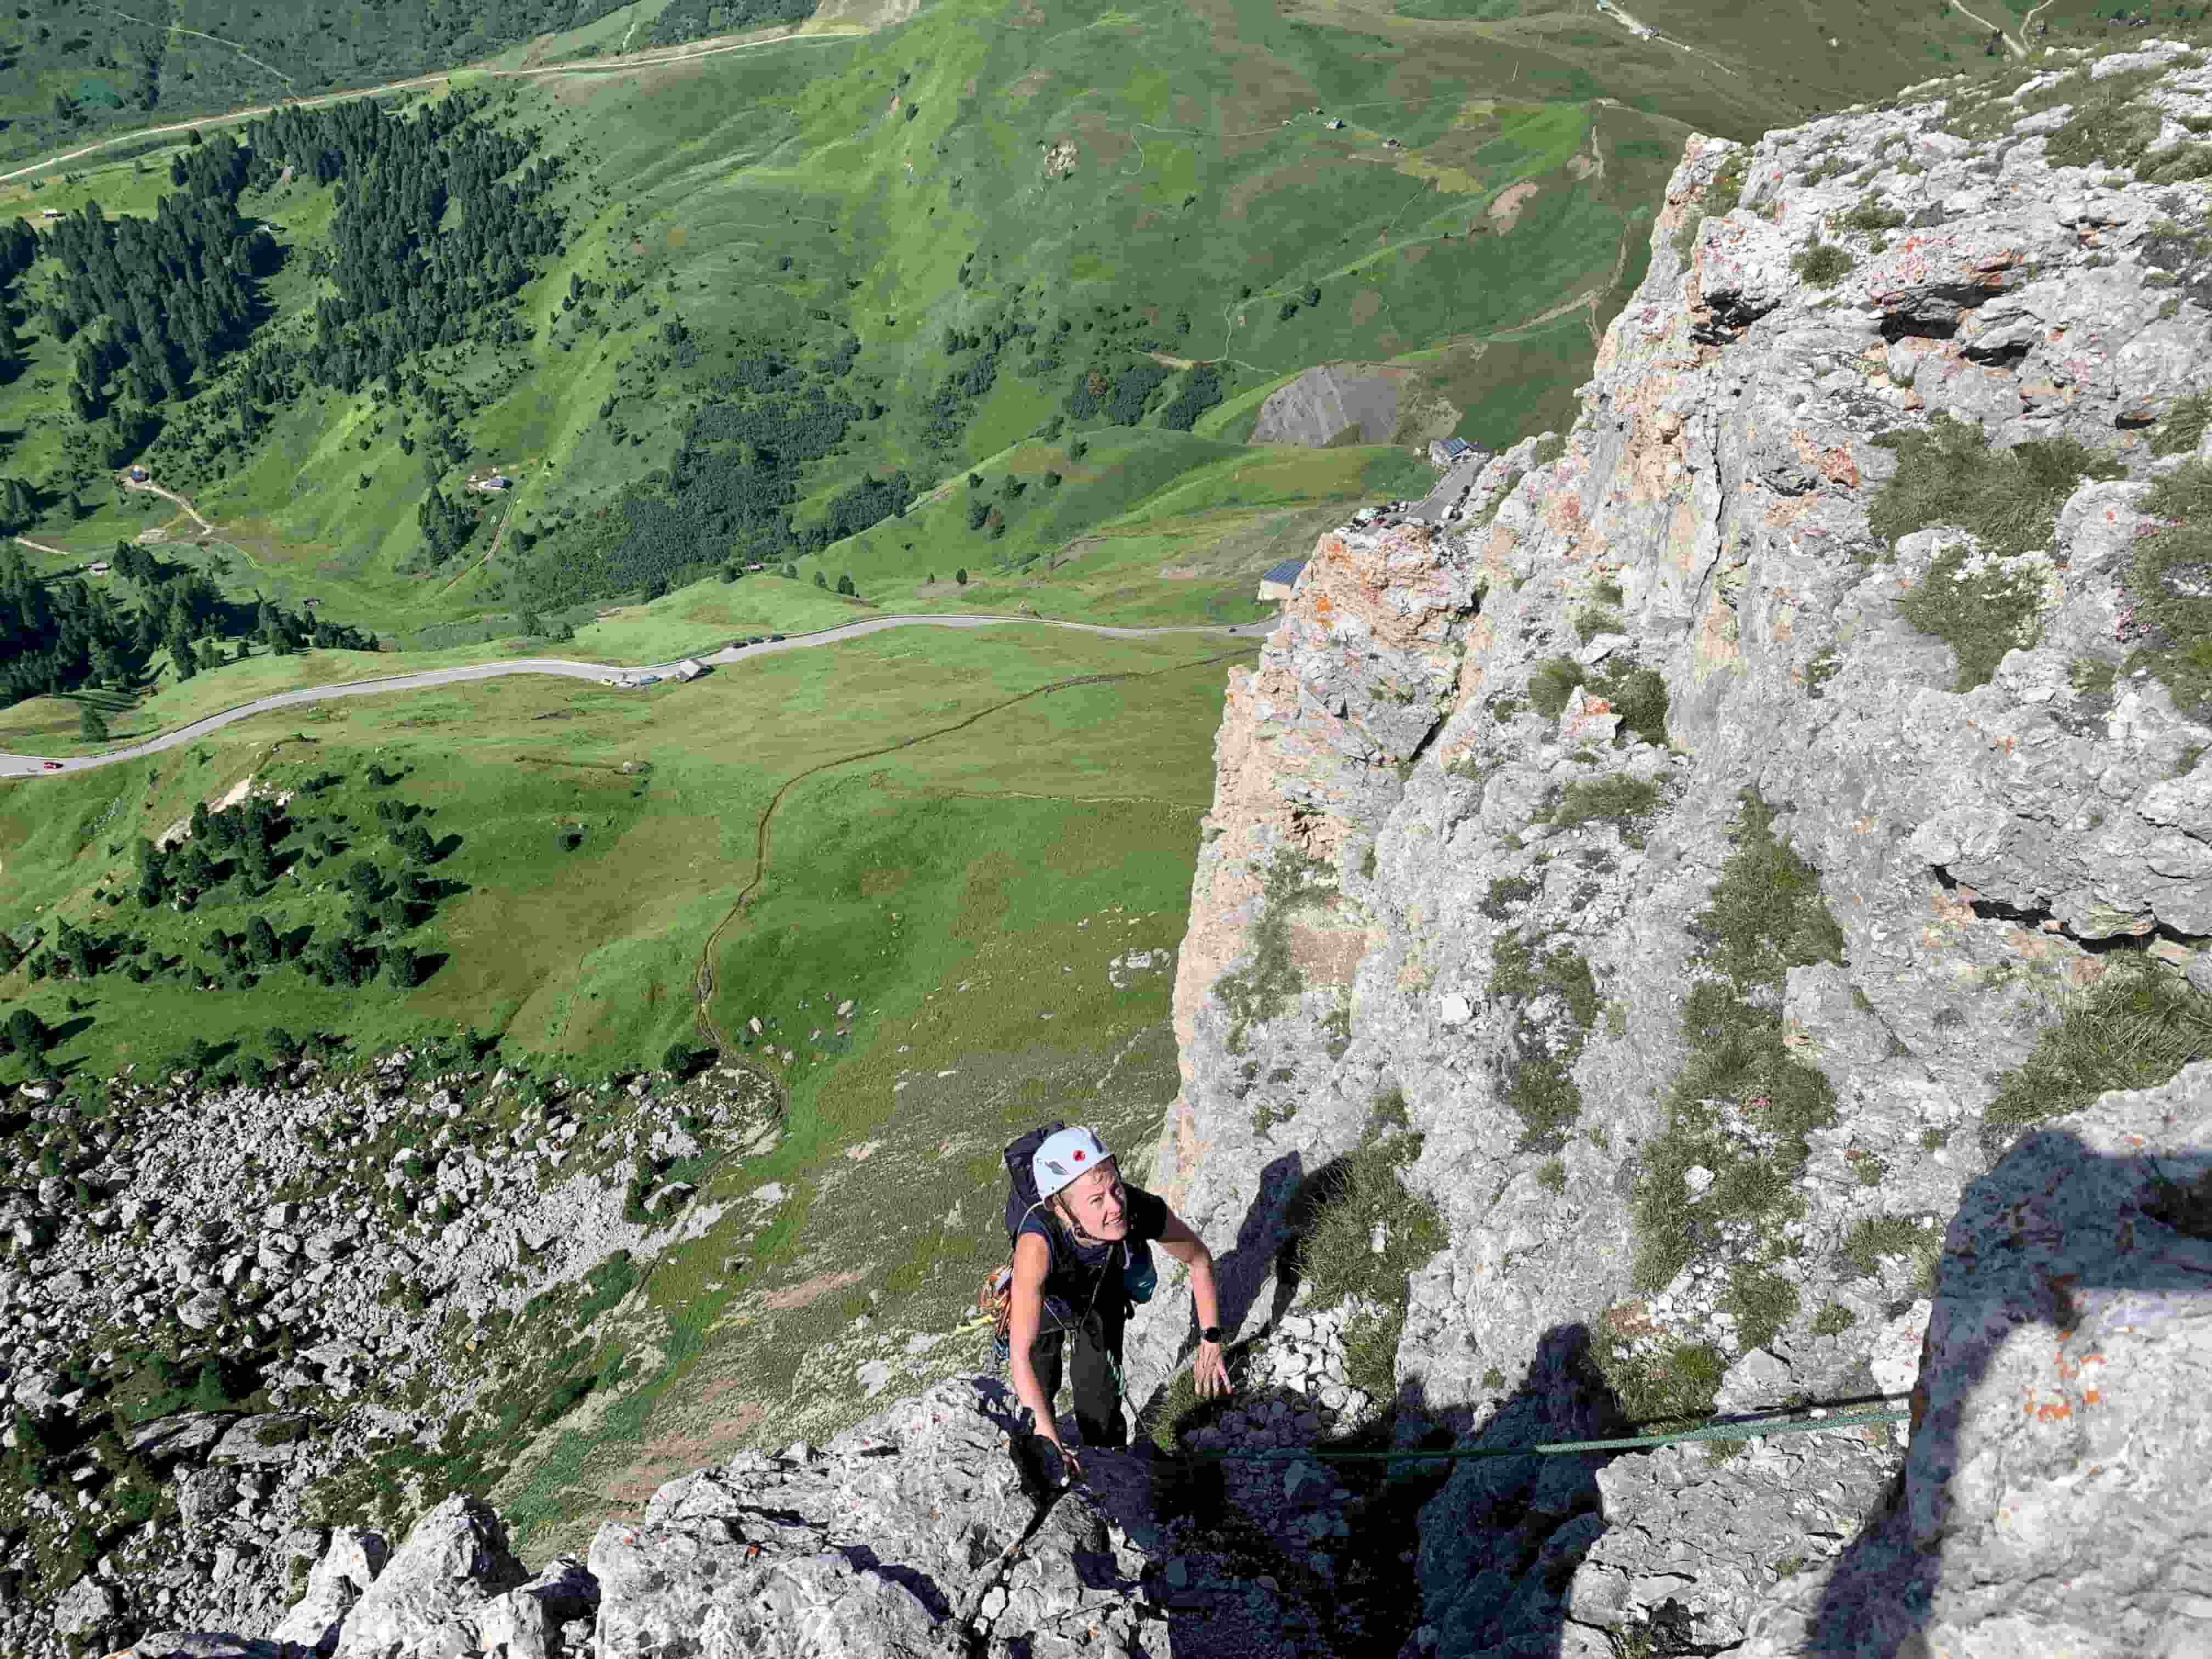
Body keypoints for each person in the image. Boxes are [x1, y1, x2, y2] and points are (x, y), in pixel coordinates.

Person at [1006, 1126, 1232, 1479]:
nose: (1115, 1206)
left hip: (1103, 1289)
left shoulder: (1138, 1209)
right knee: (1039, 1381)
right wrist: (1050, 1440)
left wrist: (1211, 1339)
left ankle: (1114, 1469)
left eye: (1115, 1188)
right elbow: (1020, 1351)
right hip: (1048, 1299)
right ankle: (1039, 1458)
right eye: (1096, 1200)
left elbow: (1198, 1259)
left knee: (1099, 1401)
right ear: (1060, 1208)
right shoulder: (1036, 1243)